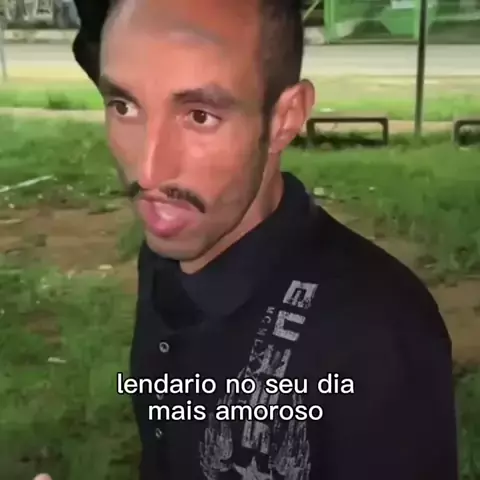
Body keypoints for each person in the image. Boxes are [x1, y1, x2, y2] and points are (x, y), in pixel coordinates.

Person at [35, 0, 459, 479]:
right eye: (124, 106)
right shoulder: (167, 255)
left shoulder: (380, 331)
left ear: (284, 118)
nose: (149, 172)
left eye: (200, 116)